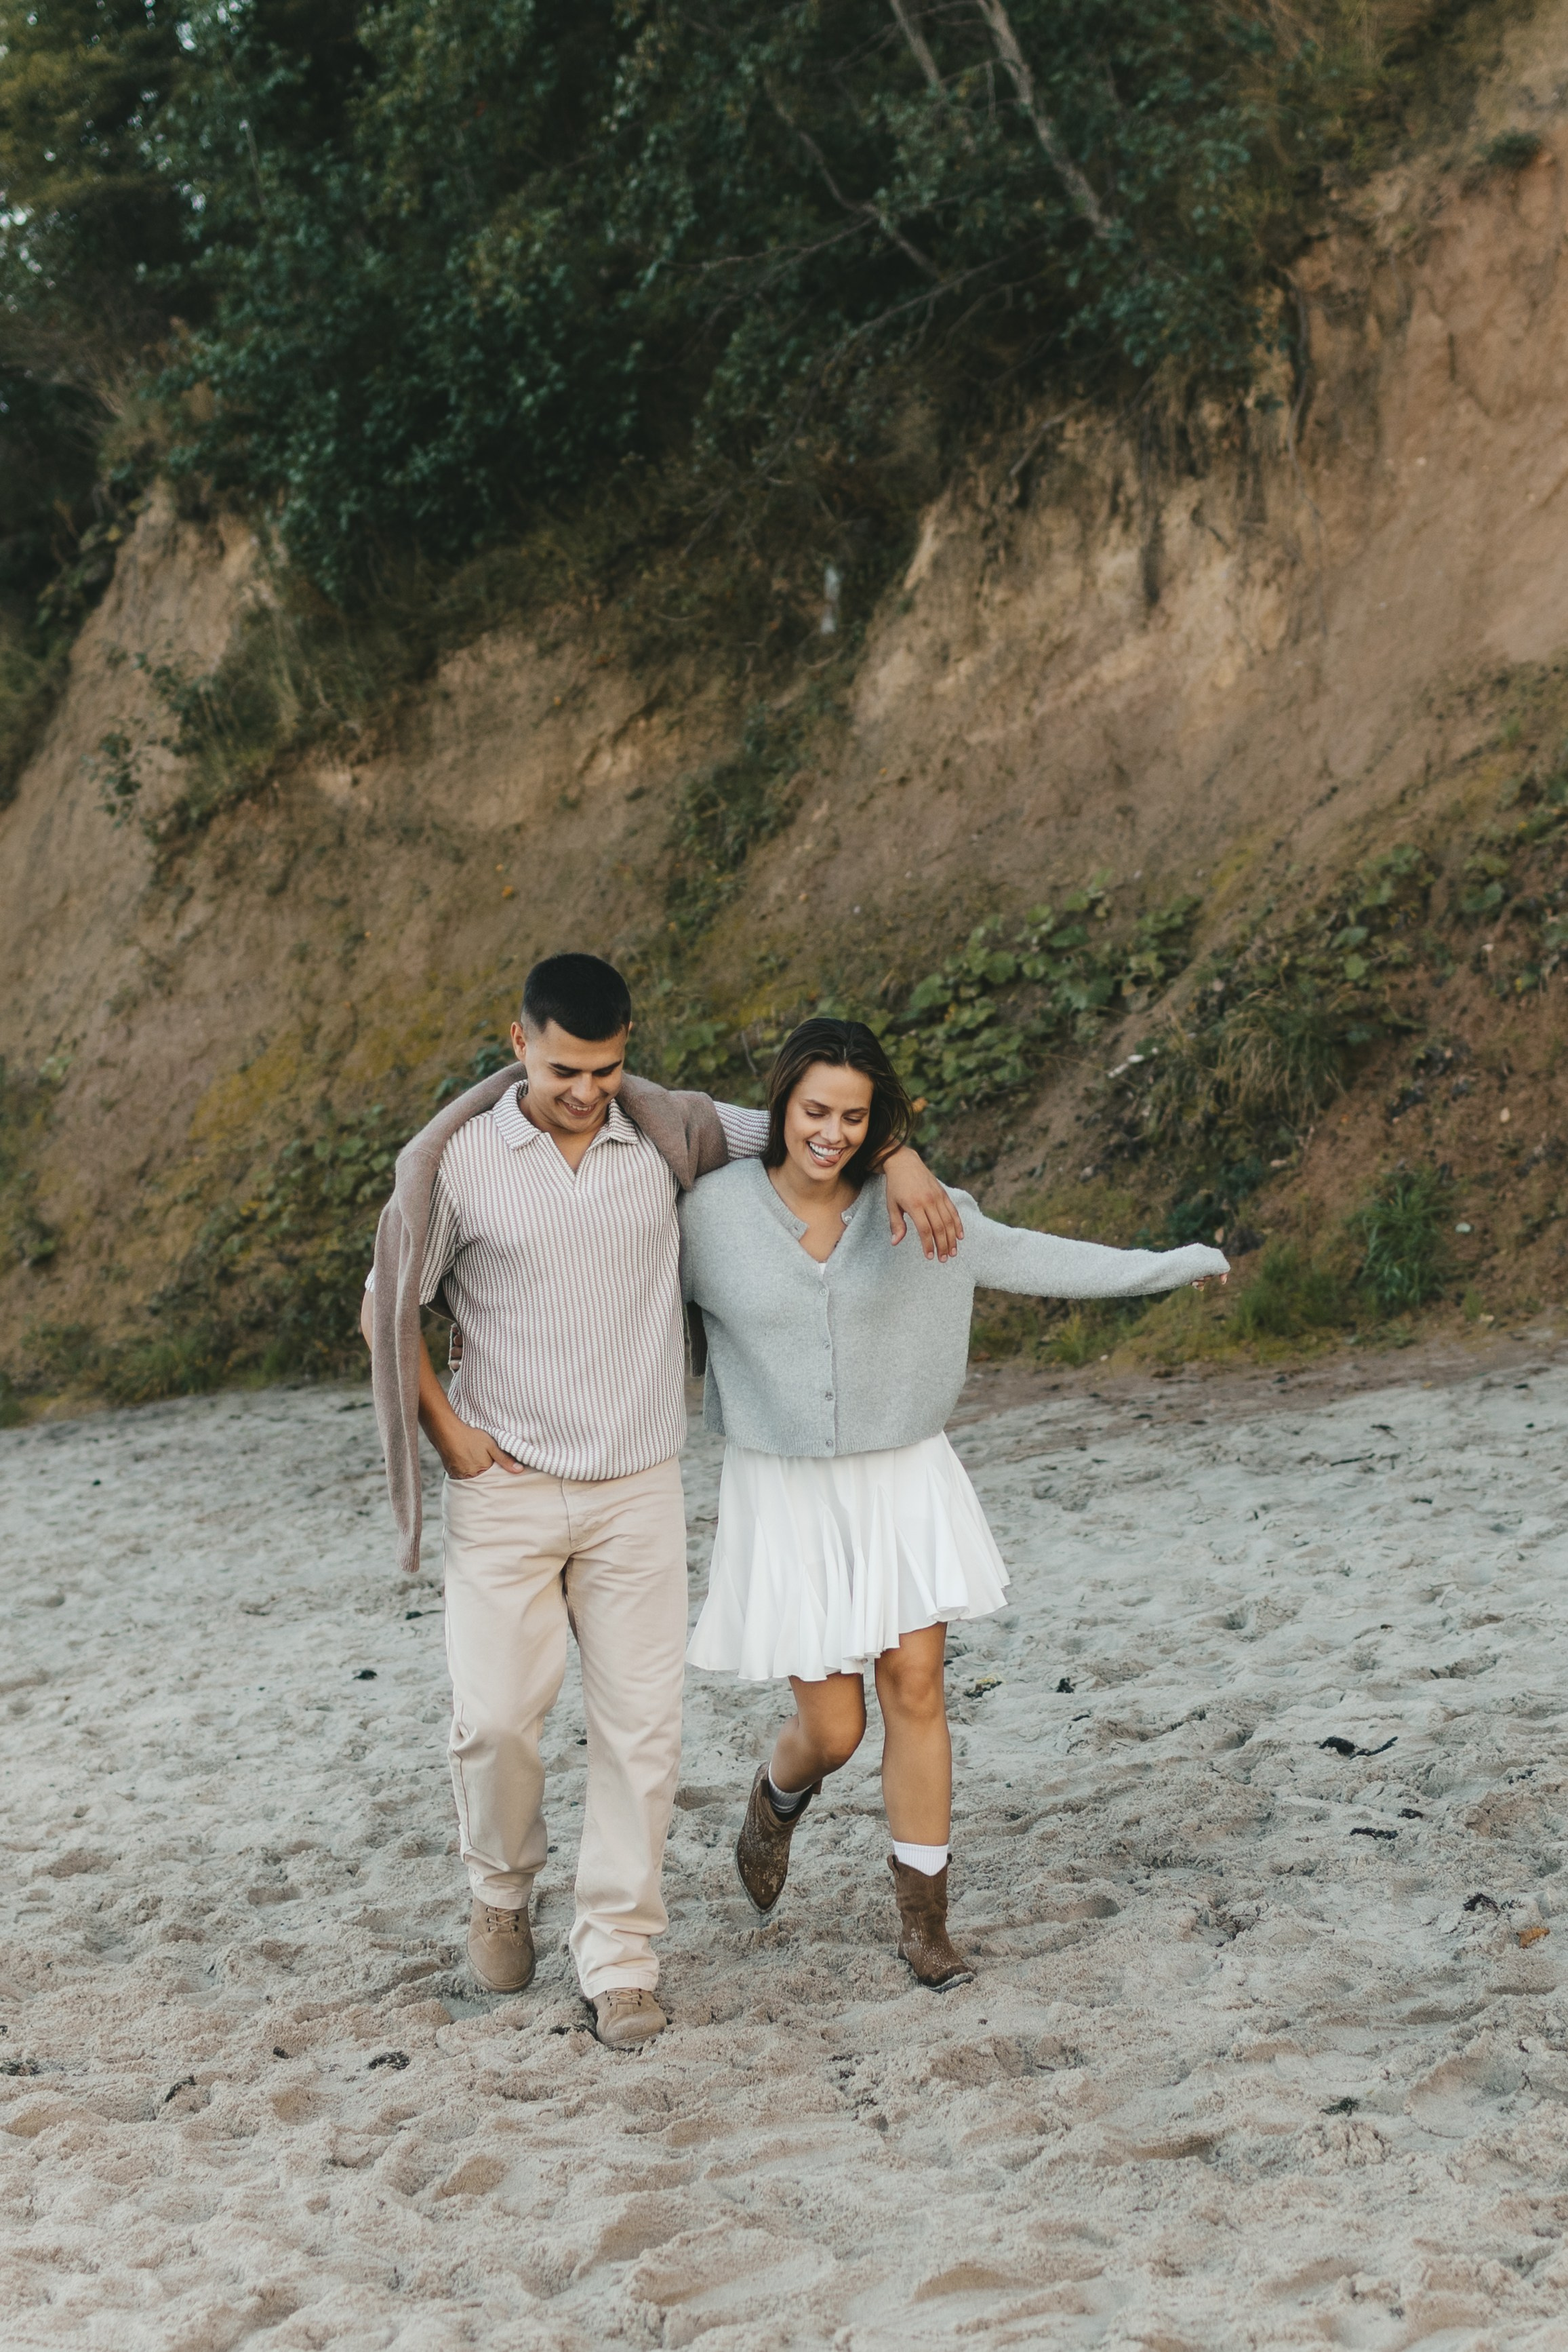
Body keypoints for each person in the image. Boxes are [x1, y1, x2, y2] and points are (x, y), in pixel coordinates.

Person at [361, 955, 961, 2048]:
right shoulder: (458, 1167)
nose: (587, 1089)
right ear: (516, 1044)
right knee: (496, 1721)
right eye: (563, 1069)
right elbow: (386, 1301)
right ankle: (499, 1886)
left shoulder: (668, 1132)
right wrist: (450, 1436)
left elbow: (808, 1127)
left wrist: (904, 1153)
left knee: (642, 1736)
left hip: (637, 1485)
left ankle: (619, 1957)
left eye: (606, 1066)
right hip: (505, 1489)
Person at [679, 1017, 1229, 1989]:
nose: (832, 1132)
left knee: (918, 1690)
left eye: (855, 1116)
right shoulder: (707, 1215)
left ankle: (924, 1921)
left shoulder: (924, 1212)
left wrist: (1171, 1263)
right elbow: (614, 1283)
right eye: (815, 1110)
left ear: (877, 1122)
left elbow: (1037, 1257)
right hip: (783, 1487)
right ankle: (777, 1793)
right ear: (778, 1107)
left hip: (902, 1478)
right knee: (834, 1730)